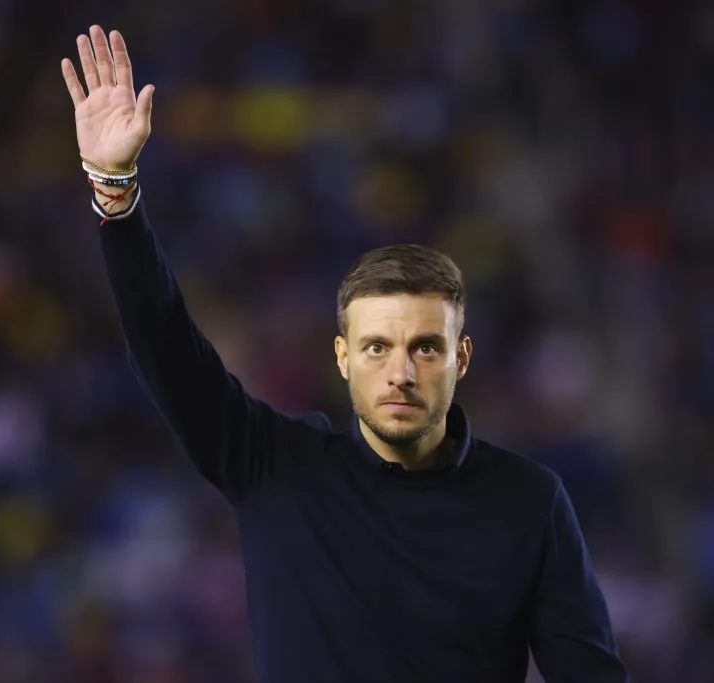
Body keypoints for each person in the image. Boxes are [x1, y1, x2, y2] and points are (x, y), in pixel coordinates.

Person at [61, 25, 630, 683]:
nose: (400, 370)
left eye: (425, 347)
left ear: (461, 357)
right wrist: (116, 193)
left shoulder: (529, 502)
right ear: (342, 357)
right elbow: (163, 343)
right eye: (378, 346)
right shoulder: (272, 466)